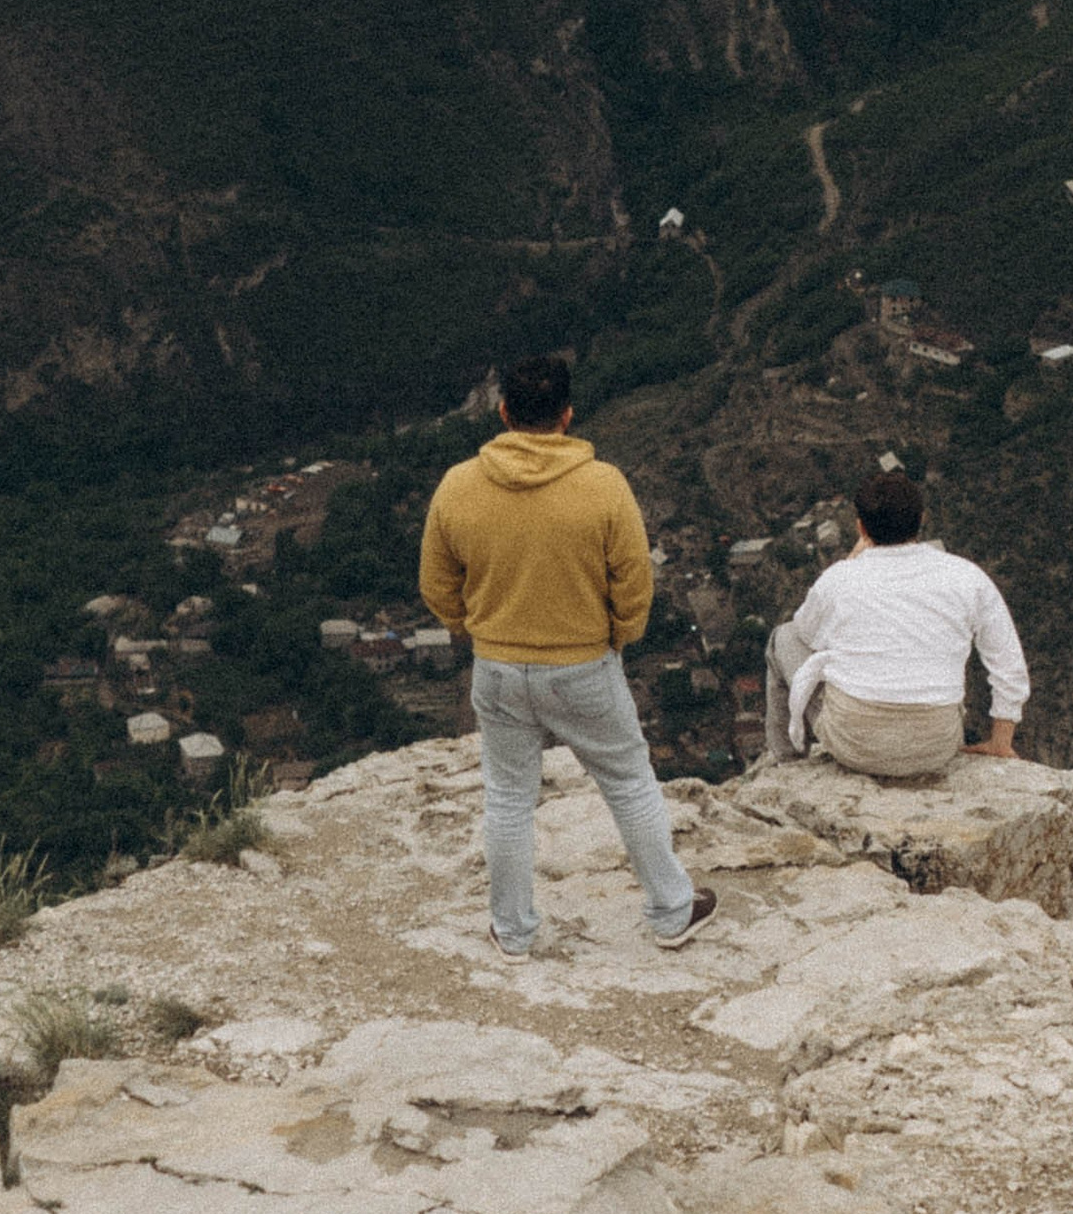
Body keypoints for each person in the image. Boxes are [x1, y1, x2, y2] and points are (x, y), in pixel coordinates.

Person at [419, 353, 716, 960]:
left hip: (498, 667)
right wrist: (618, 636)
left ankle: (513, 931)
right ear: (568, 416)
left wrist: (476, 629)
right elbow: (635, 582)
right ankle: (670, 911)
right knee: (629, 783)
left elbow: (436, 584)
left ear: (502, 413)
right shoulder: (603, 484)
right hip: (583, 664)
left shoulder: (458, 485)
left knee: (507, 797)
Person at [764, 471, 1029, 780]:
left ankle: (789, 765)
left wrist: (851, 562)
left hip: (854, 745)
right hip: (936, 747)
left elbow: (805, 634)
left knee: (781, 638)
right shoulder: (967, 576)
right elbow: (1008, 663)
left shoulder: (839, 578)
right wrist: (1000, 741)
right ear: (922, 519)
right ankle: (994, 741)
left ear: (861, 526)